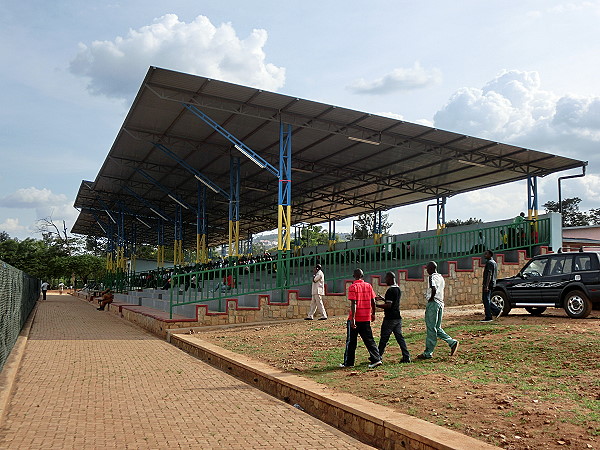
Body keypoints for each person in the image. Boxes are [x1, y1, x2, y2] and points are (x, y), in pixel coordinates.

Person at [339, 268, 382, 369]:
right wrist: (373, 313)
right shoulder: (368, 286)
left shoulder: (353, 287)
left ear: (354, 276)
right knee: (369, 339)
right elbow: (373, 301)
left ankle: (349, 362)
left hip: (356, 318)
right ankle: (376, 358)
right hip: (366, 317)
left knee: (351, 341)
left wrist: (353, 318)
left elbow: (354, 303)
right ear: (362, 276)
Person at [416, 261, 459, 360]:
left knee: (431, 328)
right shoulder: (440, 277)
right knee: (437, 327)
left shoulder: (432, 277)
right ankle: (452, 342)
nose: (426, 270)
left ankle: (428, 353)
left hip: (434, 303)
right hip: (440, 303)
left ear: (431, 268)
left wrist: (431, 297)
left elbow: (433, 288)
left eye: (427, 268)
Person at [375, 271, 410, 363]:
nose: (385, 280)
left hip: (390, 318)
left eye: (386, 278)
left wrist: (376, 305)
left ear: (390, 278)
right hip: (397, 317)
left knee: (384, 338)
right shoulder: (397, 288)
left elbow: (388, 305)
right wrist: (384, 299)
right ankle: (406, 356)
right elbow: (392, 302)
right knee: (399, 338)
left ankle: (378, 357)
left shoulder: (390, 290)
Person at [481, 250, 501, 322]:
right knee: (486, 299)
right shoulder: (494, 263)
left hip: (488, 284)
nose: (485, 255)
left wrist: (486, 285)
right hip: (492, 283)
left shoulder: (489, 263)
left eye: (486, 254)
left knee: (486, 300)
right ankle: (496, 311)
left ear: (490, 255)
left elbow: (489, 275)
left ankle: (489, 316)